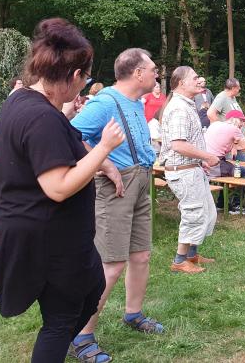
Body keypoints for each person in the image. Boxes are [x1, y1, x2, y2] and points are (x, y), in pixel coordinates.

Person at [0, 18, 125, 362]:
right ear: (75, 76)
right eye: (84, 81)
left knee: (93, 285)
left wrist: (94, 157)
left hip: (51, 235)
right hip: (49, 240)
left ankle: (62, 336)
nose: (82, 90)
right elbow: (59, 187)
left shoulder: (22, 100)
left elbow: (52, 144)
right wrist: (104, 148)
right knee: (61, 320)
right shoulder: (41, 119)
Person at [69, 48, 164, 361]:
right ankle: (81, 333)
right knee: (111, 263)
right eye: (152, 70)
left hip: (140, 183)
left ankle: (133, 313)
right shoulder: (106, 101)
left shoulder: (135, 101)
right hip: (115, 188)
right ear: (137, 73)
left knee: (141, 255)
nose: (156, 75)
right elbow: (71, 134)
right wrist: (104, 163)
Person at [160, 66, 220, 274]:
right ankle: (179, 260)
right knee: (193, 213)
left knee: (205, 212)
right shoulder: (178, 107)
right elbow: (178, 145)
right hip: (183, 171)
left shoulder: (187, 104)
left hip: (191, 168)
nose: (199, 80)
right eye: (195, 78)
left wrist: (199, 161)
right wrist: (208, 157)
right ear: (181, 83)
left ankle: (192, 255)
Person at [204, 110, 245, 215]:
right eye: (241, 121)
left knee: (228, 169)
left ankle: (221, 204)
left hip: (203, 162)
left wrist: (233, 144)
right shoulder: (234, 129)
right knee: (244, 172)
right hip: (214, 164)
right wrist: (235, 144)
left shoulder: (215, 124)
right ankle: (235, 206)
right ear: (235, 120)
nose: (242, 124)